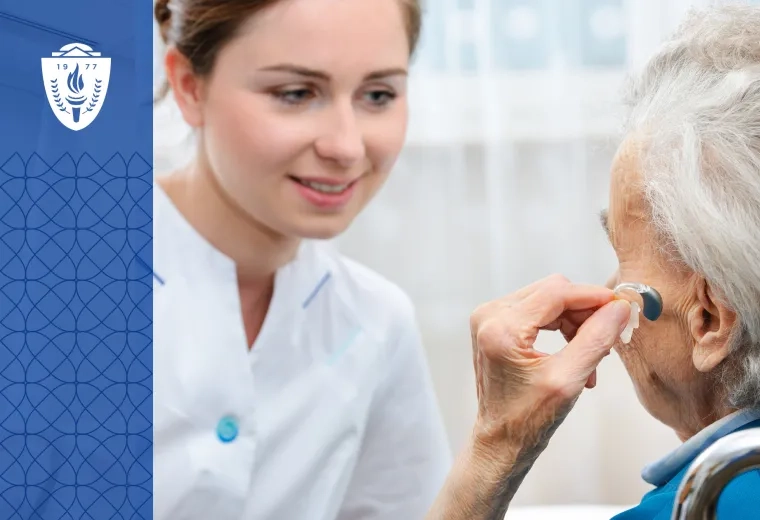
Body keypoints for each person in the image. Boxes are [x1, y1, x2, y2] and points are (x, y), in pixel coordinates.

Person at [424, 5, 760, 520]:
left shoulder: (699, 506)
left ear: (709, 320)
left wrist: (497, 444)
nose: (607, 287)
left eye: (624, 261)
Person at [151, 0, 451, 518]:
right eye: (295, 93)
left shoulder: (377, 321)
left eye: (377, 95)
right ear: (188, 86)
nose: (347, 146)